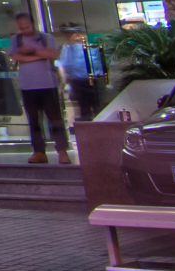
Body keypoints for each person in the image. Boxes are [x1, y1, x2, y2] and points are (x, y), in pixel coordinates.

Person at [10, 15, 65, 163]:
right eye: (21, 27)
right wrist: (40, 55)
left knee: (55, 120)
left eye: (26, 26)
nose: (24, 30)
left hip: (48, 85)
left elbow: (52, 54)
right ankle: (39, 152)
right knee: (34, 121)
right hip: (28, 87)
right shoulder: (16, 40)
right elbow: (17, 57)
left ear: (32, 24)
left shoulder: (46, 38)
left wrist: (31, 51)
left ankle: (62, 150)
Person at [60, 31, 105, 123]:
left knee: (97, 105)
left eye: (79, 34)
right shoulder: (68, 48)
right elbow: (65, 65)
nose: (77, 37)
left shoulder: (93, 46)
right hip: (77, 81)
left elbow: (100, 63)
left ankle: (100, 123)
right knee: (84, 107)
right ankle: (87, 124)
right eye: (75, 34)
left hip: (94, 80)